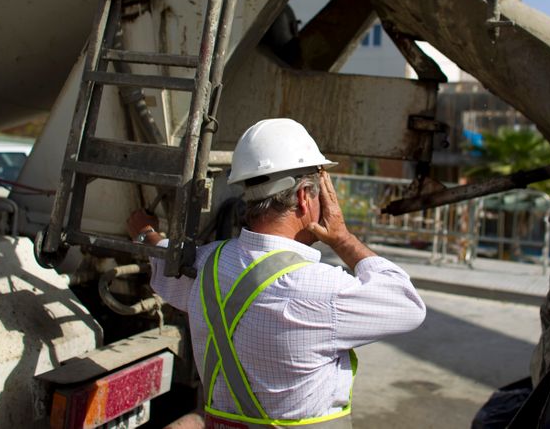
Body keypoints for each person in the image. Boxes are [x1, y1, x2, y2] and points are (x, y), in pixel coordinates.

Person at [128, 118, 426, 428]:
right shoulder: (322, 288)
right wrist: (342, 237)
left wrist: (144, 232)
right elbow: (408, 305)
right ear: (303, 197)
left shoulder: (206, 265)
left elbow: (163, 256)